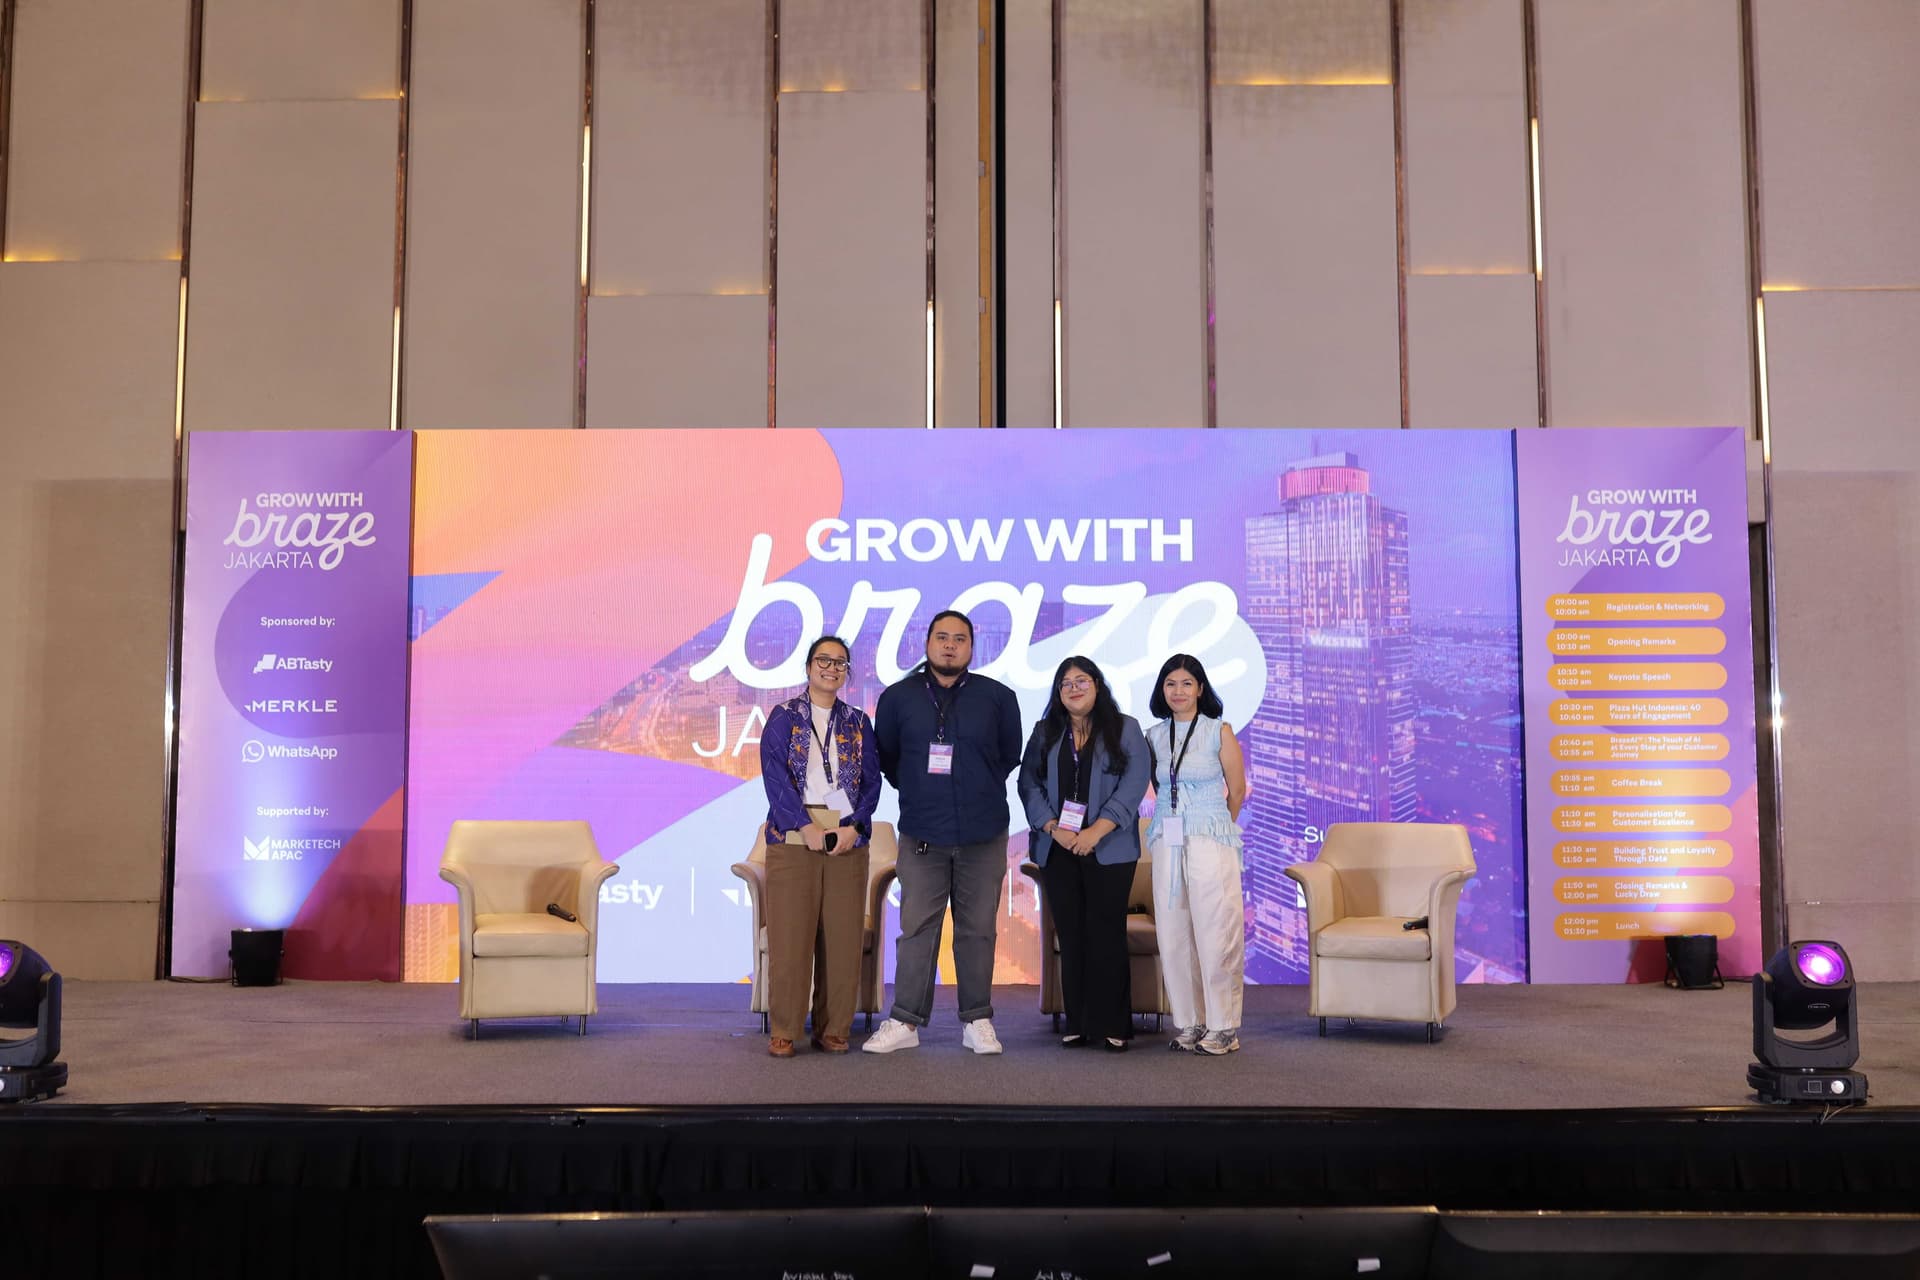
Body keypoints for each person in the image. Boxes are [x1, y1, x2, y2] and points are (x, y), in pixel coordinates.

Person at [864, 610, 1023, 1055]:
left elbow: (1009, 755)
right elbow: (890, 760)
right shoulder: (898, 698)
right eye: (941, 637)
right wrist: (924, 787)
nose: (950, 645)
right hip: (922, 834)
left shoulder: (997, 697)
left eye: (959, 639)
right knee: (916, 930)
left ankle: (978, 1021)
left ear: (972, 647)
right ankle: (905, 1022)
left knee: (977, 932)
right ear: (927, 643)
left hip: (983, 832)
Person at [1017, 656, 1151, 1051]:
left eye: (1081, 680)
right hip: (1058, 848)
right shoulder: (1045, 731)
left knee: (1106, 934)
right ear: (1058, 692)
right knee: (1071, 934)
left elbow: (1134, 783)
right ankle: (1076, 1021)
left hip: (1109, 847)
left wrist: (1096, 830)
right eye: (1065, 682)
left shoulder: (1125, 728)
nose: (1073, 688)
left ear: (1097, 684)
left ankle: (1112, 1024)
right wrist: (1054, 828)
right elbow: (1028, 783)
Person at [756, 636, 881, 1057]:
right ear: (809, 667)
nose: (831, 668)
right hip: (795, 836)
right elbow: (774, 776)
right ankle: (786, 1028)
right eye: (823, 661)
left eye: (840, 662)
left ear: (848, 671)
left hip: (847, 838)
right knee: (791, 939)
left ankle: (834, 1027)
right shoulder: (784, 716)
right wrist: (804, 825)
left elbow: (871, 782)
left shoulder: (858, 721)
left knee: (843, 940)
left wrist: (855, 826)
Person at [1145, 653, 1248, 1056]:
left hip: (1210, 834)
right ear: (1162, 690)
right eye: (1171, 684)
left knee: (1215, 928)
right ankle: (1191, 1021)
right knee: (1173, 931)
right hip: (1167, 836)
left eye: (1187, 683)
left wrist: (1218, 825)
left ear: (1201, 688)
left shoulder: (1218, 731)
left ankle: (1224, 1026)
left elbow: (1237, 791)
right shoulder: (1154, 735)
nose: (1179, 691)